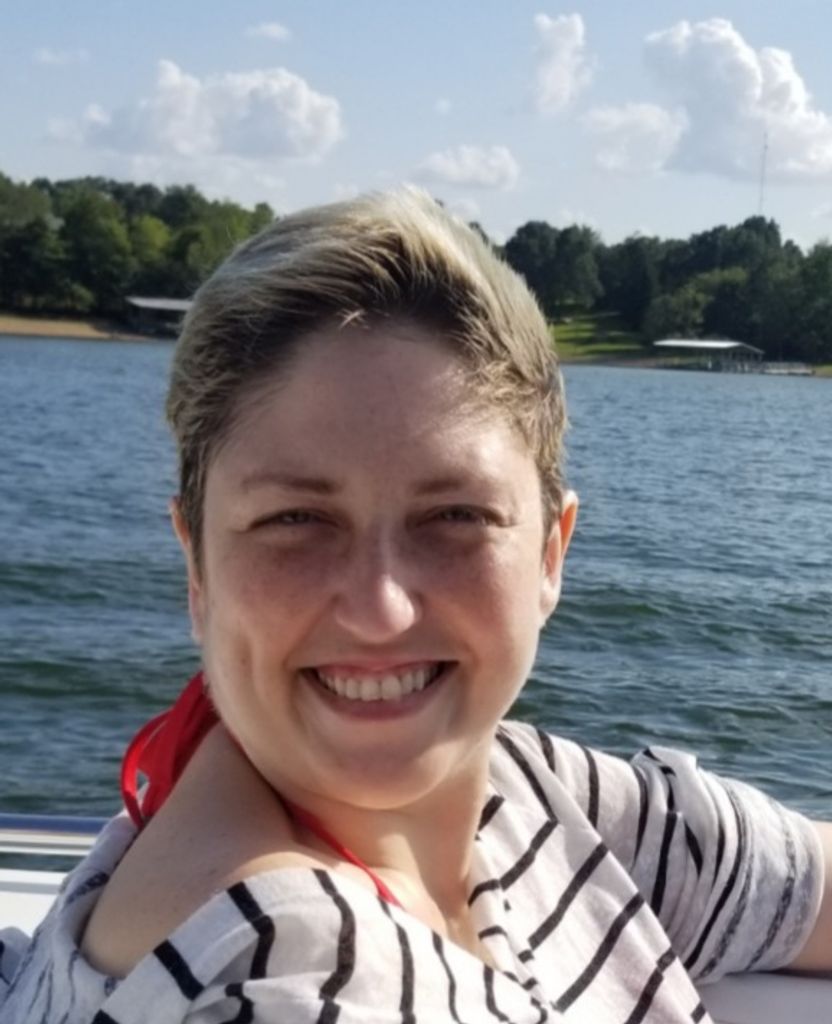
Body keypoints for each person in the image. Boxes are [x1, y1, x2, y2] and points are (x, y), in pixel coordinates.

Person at [1, 188, 829, 1023]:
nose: (380, 609)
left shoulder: (542, 797)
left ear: (551, 553)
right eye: (295, 520)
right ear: (198, 567)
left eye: (455, 517)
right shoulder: (275, 973)